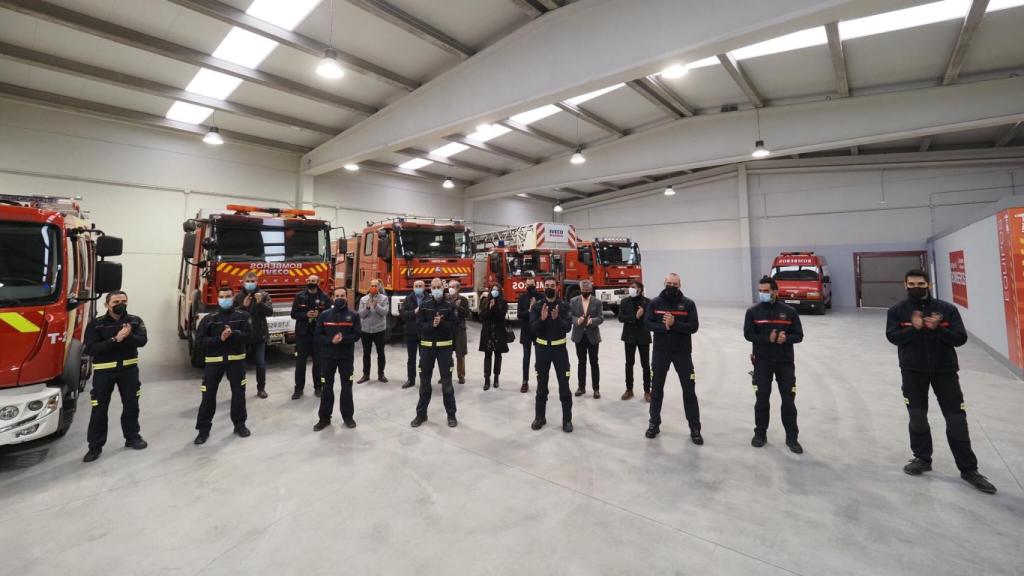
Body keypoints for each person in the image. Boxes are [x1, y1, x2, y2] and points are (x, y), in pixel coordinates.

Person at [886, 269, 996, 494]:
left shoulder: (947, 310)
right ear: (905, 285)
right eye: (912, 284)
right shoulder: (897, 311)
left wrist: (937, 329)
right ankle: (922, 458)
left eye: (920, 283)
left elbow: (960, 338)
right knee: (917, 416)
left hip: (945, 371)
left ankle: (968, 469)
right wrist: (915, 330)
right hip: (912, 371)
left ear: (929, 284)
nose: (916, 287)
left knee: (956, 419)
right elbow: (893, 337)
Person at [82, 291, 148, 463]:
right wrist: (116, 339)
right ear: (107, 305)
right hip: (104, 373)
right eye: (116, 301)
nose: (121, 304)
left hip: (129, 371)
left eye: (124, 301)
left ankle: (132, 437)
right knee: (99, 410)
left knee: (131, 406)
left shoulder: (135, 321)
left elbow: (142, 341)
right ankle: (94, 447)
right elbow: (91, 349)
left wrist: (128, 336)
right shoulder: (96, 324)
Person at [744, 276, 804, 453]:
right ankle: (760, 434)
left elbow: (799, 335)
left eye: (766, 291)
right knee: (762, 400)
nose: (762, 293)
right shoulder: (753, 312)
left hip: (785, 363)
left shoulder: (789, 311)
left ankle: (792, 438)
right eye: (760, 291)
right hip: (762, 362)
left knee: (788, 401)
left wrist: (787, 338)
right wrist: (766, 339)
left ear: (775, 292)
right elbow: (748, 334)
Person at [644, 273, 702, 445]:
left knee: (689, 391)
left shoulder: (688, 304)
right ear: (664, 283)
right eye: (668, 283)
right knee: (657, 390)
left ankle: (695, 428)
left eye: (674, 284)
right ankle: (654, 423)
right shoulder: (654, 303)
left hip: (682, 353)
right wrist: (665, 326)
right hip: (661, 352)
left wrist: (674, 323)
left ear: (680, 285)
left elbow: (694, 327)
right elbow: (647, 324)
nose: (671, 286)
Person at [194, 286, 252, 444]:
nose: (225, 299)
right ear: (217, 298)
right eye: (222, 296)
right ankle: (203, 430)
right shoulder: (209, 319)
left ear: (233, 298)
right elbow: (199, 342)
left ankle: (240, 425)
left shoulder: (243, 316)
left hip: (236, 361)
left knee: (239, 395)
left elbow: (249, 337)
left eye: (228, 296)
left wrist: (234, 334)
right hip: (214, 363)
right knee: (208, 397)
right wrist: (219, 339)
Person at [411, 278, 458, 428]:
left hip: (445, 349)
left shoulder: (449, 305)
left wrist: (442, 323)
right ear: (430, 288)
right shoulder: (424, 305)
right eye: (434, 287)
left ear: (443, 287)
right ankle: (421, 414)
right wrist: (432, 325)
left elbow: (454, 326)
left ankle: (451, 415)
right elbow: (418, 326)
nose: (436, 289)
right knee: (424, 384)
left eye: (439, 287)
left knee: (447, 385)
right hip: (427, 349)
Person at [530, 278, 574, 432]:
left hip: (559, 351)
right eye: (547, 286)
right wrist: (542, 320)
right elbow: (533, 328)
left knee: (564, 387)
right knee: (541, 386)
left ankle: (567, 420)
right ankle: (539, 417)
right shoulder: (537, 306)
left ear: (557, 287)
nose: (549, 288)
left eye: (552, 286)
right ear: (543, 287)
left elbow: (567, 328)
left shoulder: (564, 306)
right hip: (542, 350)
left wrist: (557, 319)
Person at [314, 287, 361, 431]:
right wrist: (330, 340)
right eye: (337, 295)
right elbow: (318, 335)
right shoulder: (324, 315)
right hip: (328, 358)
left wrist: (344, 339)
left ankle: (348, 417)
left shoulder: (354, 315)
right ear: (333, 298)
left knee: (347, 387)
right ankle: (324, 418)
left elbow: (357, 335)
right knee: (327, 387)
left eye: (342, 295)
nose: (340, 298)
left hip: (346, 358)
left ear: (347, 297)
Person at [290, 275, 330, 399]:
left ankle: (318, 387)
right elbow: (293, 314)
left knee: (318, 364)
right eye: (309, 281)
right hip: (302, 335)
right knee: (300, 364)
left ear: (318, 282)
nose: (311, 283)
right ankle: (298, 389)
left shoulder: (324, 297)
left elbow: (329, 314)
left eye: (314, 281)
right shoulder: (299, 296)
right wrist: (305, 314)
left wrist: (320, 315)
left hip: (318, 336)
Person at [235, 271, 273, 399]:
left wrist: (259, 303)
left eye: (253, 281)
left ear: (257, 282)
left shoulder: (264, 295)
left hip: (259, 335)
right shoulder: (238, 296)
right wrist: (243, 306)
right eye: (248, 281)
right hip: (242, 336)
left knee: (260, 363)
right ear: (243, 282)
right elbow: (233, 316)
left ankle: (261, 388)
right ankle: (239, 389)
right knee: (239, 365)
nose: (250, 284)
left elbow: (270, 312)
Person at [618, 281, 652, 402]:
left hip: (643, 337)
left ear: (639, 289)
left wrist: (643, 315)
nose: (630, 289)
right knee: (629, 364)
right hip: (629, 337)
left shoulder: (648, 302)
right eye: (630, 287)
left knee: (646, 365)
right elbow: (621, 318)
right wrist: (635, 317)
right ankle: (629, 389)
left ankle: (647, 391)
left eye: (633, 287)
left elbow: (651, 319)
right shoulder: (624, 301)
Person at [570, 279, 603, 399]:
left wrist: (591, 321)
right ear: (580, 290)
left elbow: (601, 318)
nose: (585, 292)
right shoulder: (573, 301)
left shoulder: (597, 302)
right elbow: (570, 315)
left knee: (594, 363)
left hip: (593, 337)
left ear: (591, 290)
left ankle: (596, 389)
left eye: (587, 290)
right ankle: (581, 387)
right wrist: (577, 321)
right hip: (579, 336)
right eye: (583, 290)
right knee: (581, 363)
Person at [479, 284, 510, 391]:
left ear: (500, 292)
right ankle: (487, 379)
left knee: (498, 356)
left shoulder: (503, 303)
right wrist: (490, 308)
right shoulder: (485, 301)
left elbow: (501, 317)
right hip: (488, 333)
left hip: (498, 333)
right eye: (493, 290)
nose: (494, 292)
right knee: (487, 356)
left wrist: (494, 308)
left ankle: (496, 377)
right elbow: (482, 317)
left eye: (496, 290)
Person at [357, 279, 388, 383]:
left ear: (379, 287)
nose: (373, 287)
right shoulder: (363, 299)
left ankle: (381, 374)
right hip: (366, 330)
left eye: (375, 285)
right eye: (371, 285)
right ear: (369, 287)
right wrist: (367, 307)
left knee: (381, 353)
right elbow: (361, 314)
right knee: (366, 353)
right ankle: (366, 375)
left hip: (379, 330)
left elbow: (385, 312)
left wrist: (376, 306)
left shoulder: (384, 298)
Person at [400, 280, 427, 389]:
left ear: (424, 287)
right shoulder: (408, 298)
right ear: (413, 287)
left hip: (424, 333)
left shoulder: (428, 298)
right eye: (416, 286)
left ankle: (424, 379)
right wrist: (413, 312)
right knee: (411, 358)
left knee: (423, 358)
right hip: (410, 333)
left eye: (420, 286)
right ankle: (411, 380)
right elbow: (402, 314)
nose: (418, 288)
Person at [517, 278, 540, 393]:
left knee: (539, 358)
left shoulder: (540, 297)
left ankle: (540, 380)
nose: (530, 286)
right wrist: (530, 310)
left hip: (537, 331)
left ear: (535, 285)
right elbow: (519, 315)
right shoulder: (522, 298)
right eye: (528, 285)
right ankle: (525, 381)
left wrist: (535, 308)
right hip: (526, 331)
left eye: (532, 284)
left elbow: (542, 314)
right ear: (525, 285)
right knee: (526, 358)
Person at [448, 279, 472, 385]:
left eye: (453, 287)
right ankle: (445, 374)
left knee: (460, 353)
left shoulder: (463, 300)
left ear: (458, 289)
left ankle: (461, 375)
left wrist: (458, 306)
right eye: (449, 286)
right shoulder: (446, 299)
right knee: (446, 353)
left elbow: (467, 314)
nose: (451, 289)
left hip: (459, 329)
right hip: (448, 329)